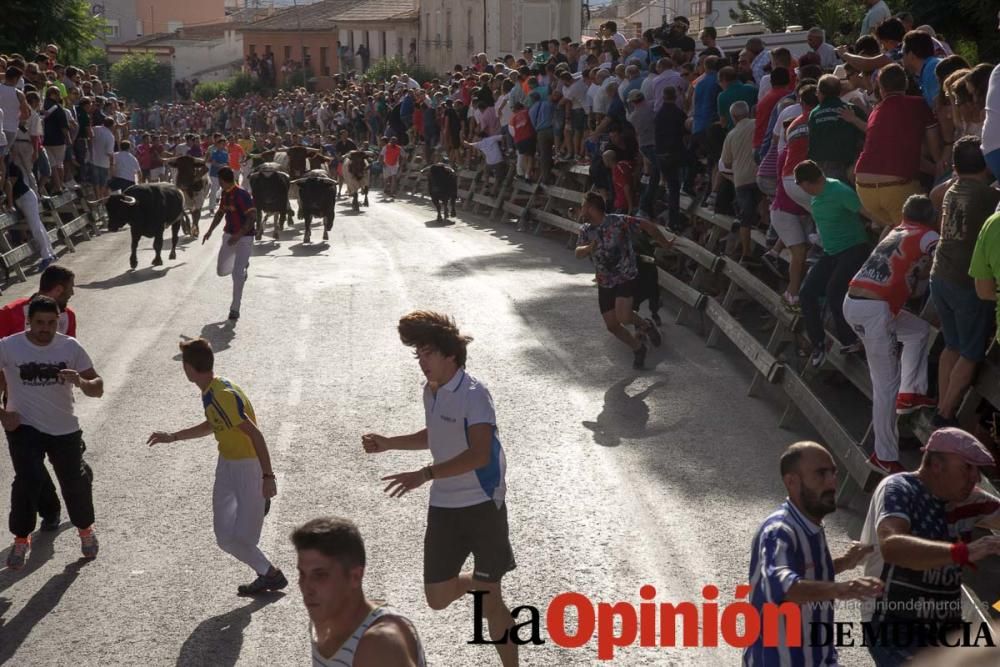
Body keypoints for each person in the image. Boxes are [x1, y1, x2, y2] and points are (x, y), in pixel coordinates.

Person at [362, 310, 517, 667]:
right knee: (437, 597)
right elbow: (437, 435)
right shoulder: (430, 392)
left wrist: (426, 474)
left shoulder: (475, 395)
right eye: (418, 355)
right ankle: (480, 580)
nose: (421, 362)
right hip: (445, 507)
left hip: (482, 506)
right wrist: (389, 443)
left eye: (428, 353)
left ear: (450, 354)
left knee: (490, 602)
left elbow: (478, 454)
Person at [147, 338, 287, 595]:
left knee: (243, 539)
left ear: (189, 368)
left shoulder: (222, 393)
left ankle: (270, 574)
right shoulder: (210, 389)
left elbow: (256, 435)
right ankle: (268, 572)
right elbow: (214, 424)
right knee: (225, 538)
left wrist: (268, 476)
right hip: (227, 465)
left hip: (248, 468)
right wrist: (174, 436)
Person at [860, 427, 1000, 665]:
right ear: (936, 464)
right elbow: (892, 546)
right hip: (892, 624)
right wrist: (963, 552)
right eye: (967, 467)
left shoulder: (971, 500)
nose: (975, 478)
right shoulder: (897, 488)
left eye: (977, 470)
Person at [744, 441, 883, 666]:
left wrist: (845, 562)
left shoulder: (810, 525)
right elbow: (783, 587)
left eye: (833, 473)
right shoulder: (779, 530)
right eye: (821, 474)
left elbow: (805, 568)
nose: (832, 481)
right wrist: (841, 589)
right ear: (792, 482)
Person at [2, 295, 103, 569]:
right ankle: (21, 539)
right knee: (27, 481)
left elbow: (98, 386)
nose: (46, 328)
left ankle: (85, 530)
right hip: (24, 426)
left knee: (74, 482)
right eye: (40, 323)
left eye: (52, 323)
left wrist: (81, 382)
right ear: (28, 322)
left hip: (64, 428)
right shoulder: (9, 347)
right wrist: (3, 414)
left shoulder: (69, 346)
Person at [843, 195, 939, 473]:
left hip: (856, 302)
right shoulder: (926, 233)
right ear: (929, 218)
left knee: (918, 331)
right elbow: (941, 253)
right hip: (874, 310)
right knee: (885, 385)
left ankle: (911, 391)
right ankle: (884, 455)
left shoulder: (897, 229)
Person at [930, 138, 999, 428]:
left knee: (952, 345)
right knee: (970, 353)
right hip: (964, 282)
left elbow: (935, 192)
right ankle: (945, 413)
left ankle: (941, 401)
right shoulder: (986, 196)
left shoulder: (951, 190)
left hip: (940, 275)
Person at [293, 517, 426, 666]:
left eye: (320, 575)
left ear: (355, 577)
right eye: (302, 574)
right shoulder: (323, 618)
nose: (307, 588)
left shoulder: (380, 646)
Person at [575, 191, 672, 369]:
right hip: (605, 281)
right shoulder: (586, 230)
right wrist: (589, 247)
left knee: (624, 316)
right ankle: (638, 347)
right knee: (612, 325)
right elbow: (578, 252)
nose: (581, 210)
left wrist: (664, 242)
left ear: (591, 208)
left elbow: (647, 226)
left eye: (583, 205)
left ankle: (645, 325)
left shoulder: (618, 221)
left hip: (625, 276)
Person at [794, 160, 871, 368]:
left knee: (834, 290)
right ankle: (818, 343)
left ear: (809, 183)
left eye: (801, 185)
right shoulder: (816, 198)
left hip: (854, 248)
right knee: (807, 292)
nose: (801, 190)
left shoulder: (838, 190)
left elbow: (865, 211)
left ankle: (851, 340)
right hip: (831, 252)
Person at [853, 64, 940, 230]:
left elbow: (902, 153)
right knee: (922, 229)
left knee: (896, 229)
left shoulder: (875, 112)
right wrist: (939, 168)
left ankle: (879, 256)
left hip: (863, 186)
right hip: (896, 187)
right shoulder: (918, 104)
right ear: (906, 83)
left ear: (881, 88)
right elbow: (934, 145)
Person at [202, 166, 256, 321]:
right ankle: (242, 265)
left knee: (237, 274)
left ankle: (235, 308)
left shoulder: (242, 195)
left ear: (222, 180)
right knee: (221, 270)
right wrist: (210, 230)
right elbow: (220, 213)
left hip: (244, 238)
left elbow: (252, 217)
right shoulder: (225, 194)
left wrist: (239, 235)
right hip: (229, 236)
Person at [721, 101, 760, 264]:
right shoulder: (757, 124)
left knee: (745, 217)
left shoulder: (730, 135)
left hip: (741, 179)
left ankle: (746, 253)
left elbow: (727, 162)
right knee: (764, 202)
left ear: (733, 117)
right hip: (758, 175)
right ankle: (766, 232)